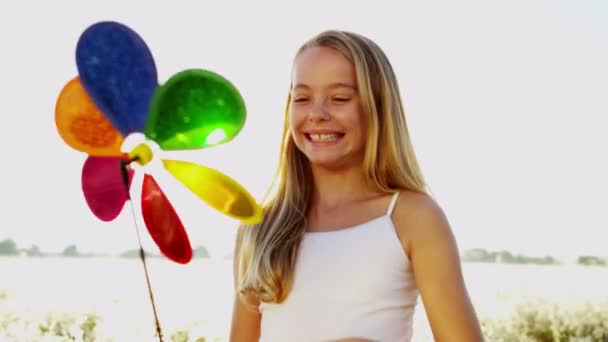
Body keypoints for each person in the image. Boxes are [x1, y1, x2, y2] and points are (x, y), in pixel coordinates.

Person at [229, 29, 484, 342]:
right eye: (302, 98)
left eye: (339, 99)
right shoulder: (260, 225)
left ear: (377, 108)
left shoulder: (412, 217)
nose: (317, 114)